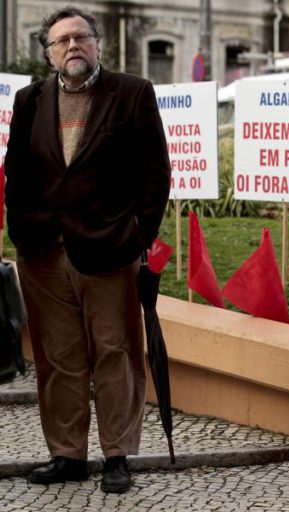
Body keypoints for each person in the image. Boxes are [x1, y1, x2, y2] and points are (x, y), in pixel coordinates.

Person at [4, 6, 170, 493]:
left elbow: (155, 174)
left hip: (109, 249)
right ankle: (67, 454)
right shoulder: (30, 100)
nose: (72, 46)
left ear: (98, 44)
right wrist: (21, 230)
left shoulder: (132, 93)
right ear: (49, 53)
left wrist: (136, 235)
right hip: (42, 253)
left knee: (115, 351)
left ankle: (117, 454)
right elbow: (17, 173)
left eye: (81, 37)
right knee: (57, 357)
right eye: (62, 41)